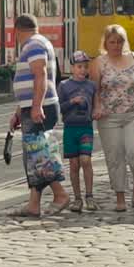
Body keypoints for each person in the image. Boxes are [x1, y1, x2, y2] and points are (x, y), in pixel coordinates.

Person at [8, 14, 70, 217]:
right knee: (35, 156)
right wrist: (20, 111)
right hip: (35, 106)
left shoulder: (33, 45)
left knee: (39, 155)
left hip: (40, 107)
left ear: (17, 30)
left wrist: (36, 106)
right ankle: (33, 204)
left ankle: (60, 194)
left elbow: (40, 74)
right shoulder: (39, 42)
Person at [90, 24, 134, 212]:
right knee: (115, 157)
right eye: (112, 42)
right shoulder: (98, 63)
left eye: (120, 41)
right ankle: (120, 196)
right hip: (109, 118)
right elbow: (94, 90)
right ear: (106, 43)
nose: (116, 45)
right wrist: (97, 106)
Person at [58, 50, 98, 213]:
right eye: (79, 67)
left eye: (85, 67)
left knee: (85, 160)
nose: (83, 70)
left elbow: (96, 105)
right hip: (70, 129)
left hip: (86, 128)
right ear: (72, 68)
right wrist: (72, 102)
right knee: (74, 164)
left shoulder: (92, 86)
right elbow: (59, 108)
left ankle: (89, 196)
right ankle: (77, 198)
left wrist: (96, 111)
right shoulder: (64, 86)